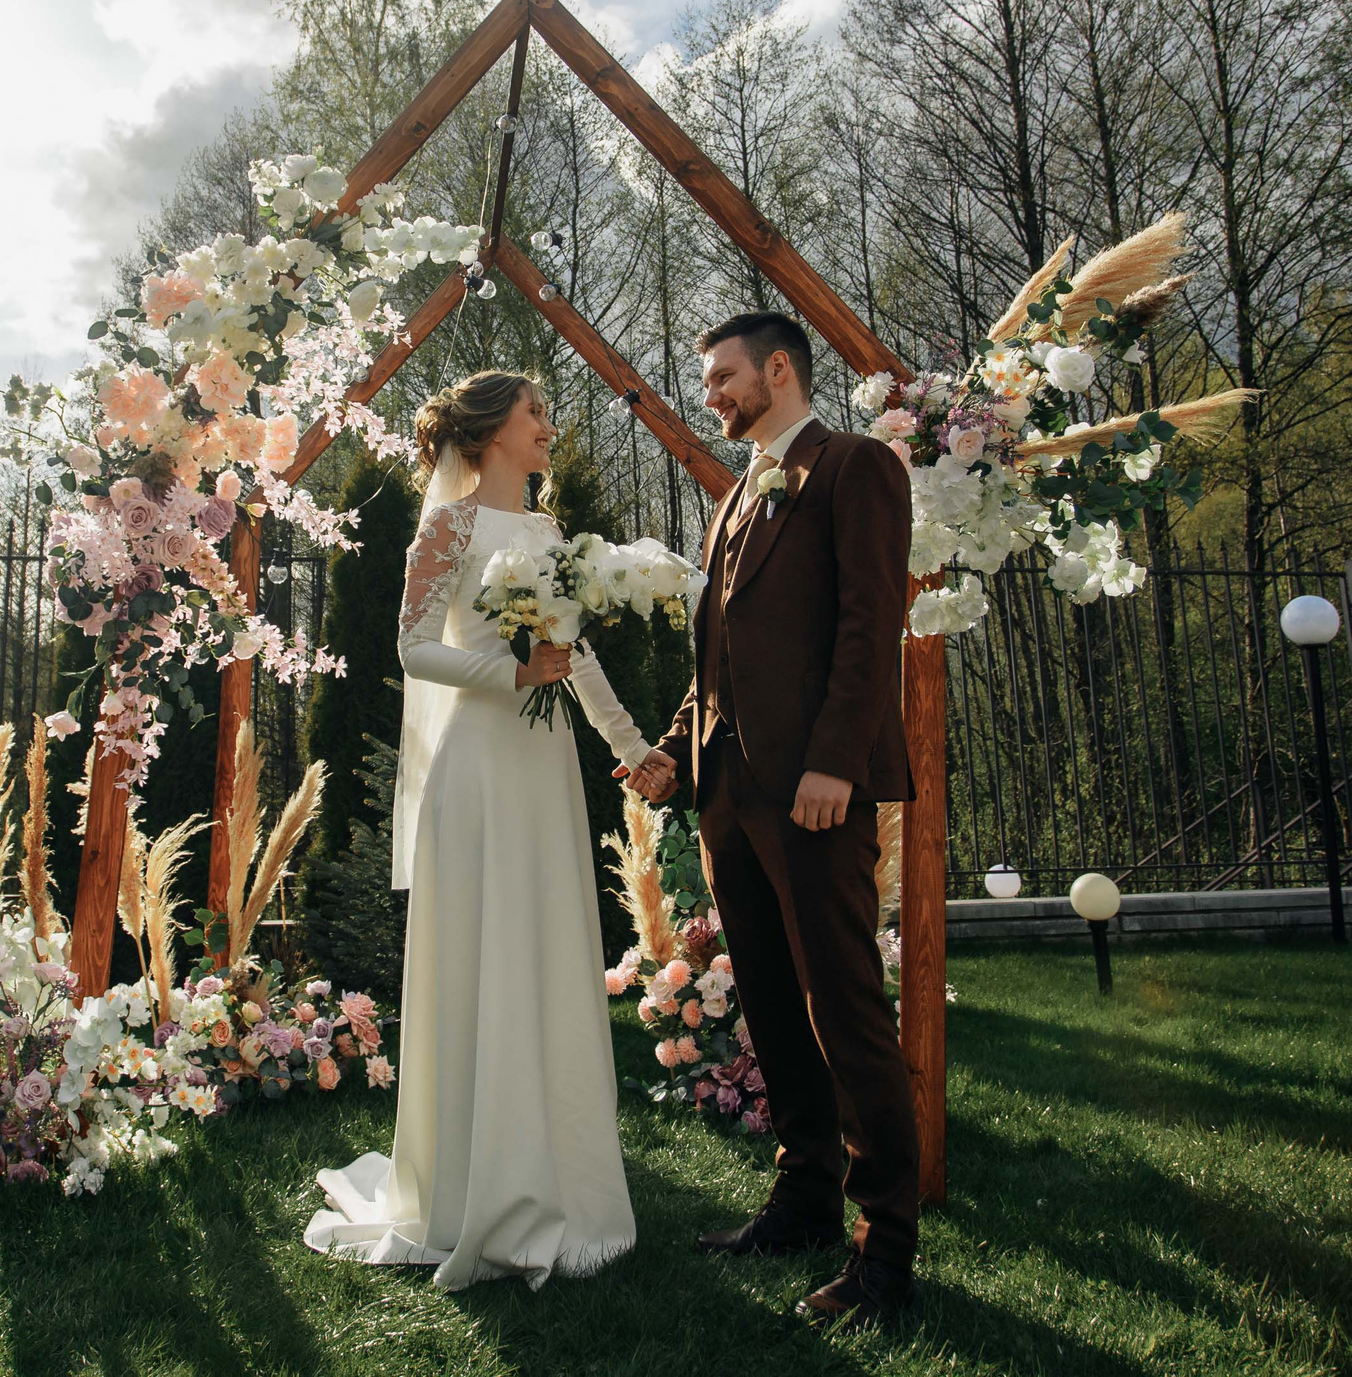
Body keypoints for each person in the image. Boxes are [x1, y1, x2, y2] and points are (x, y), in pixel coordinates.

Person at [304, 371, 673, 1290]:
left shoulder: (550, 535)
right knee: (482, 954)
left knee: (546, 948)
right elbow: (411, 646)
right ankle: (471, 1184)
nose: (550, 426)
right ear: (487, 432)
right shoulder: (448, 527)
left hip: (541, 773)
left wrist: (632, 746)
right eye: (535, 413)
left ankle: (559, 1181)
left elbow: (574, 655)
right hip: (476, 762)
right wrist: (506, 672)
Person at [630, 309, 921, 1334]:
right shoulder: (733, 498)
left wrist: (836, 762)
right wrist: (675, 744)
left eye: (722, 376)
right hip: (729, 794)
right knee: (768, 1005)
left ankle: (885, 1250)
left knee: (843, 1010)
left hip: (812, 791)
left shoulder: (853, 469)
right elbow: (720, 651)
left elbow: (866, 620)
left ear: (780, 370)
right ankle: (799, 1204)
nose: (709, 393)